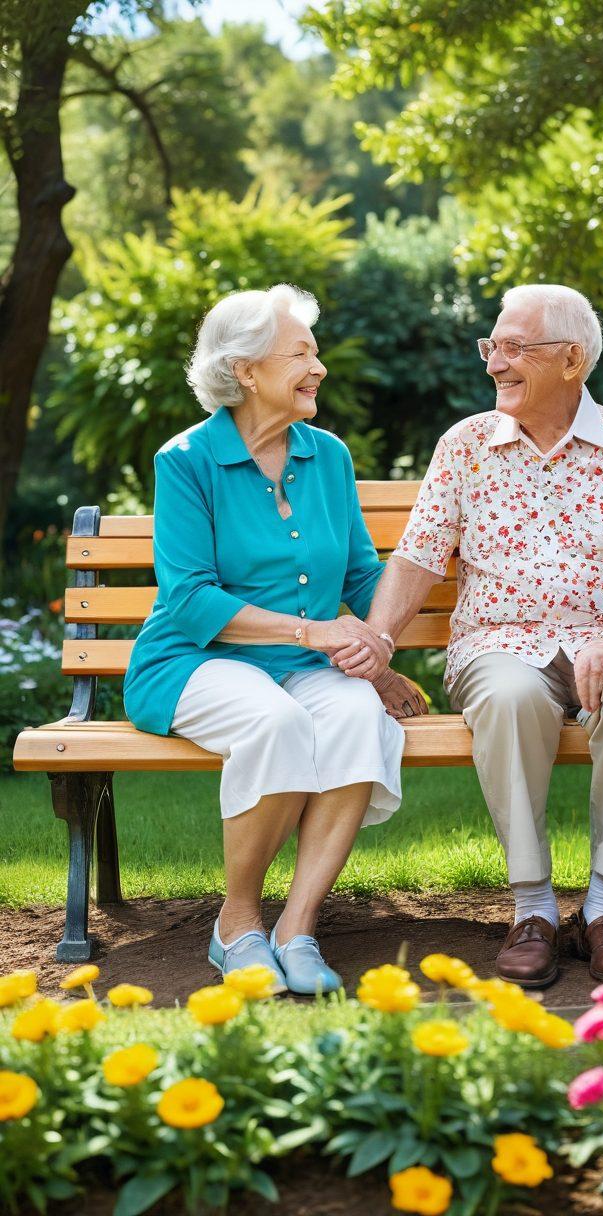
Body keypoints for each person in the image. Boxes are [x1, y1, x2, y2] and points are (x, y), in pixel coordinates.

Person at [333, 284, 603, 988]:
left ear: (572, 360)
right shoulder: (465, 445)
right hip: (499, 641)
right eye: (491, 346)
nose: (495, 362)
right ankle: (531, 909)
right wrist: (378, 643)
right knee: (507, 697)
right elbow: (418, 554)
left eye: (515, 347)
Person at [124, 283, 417, 995]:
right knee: (276, 721)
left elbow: (356, 574)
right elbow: (190, 598)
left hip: (298, 662)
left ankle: (298, 927)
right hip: (194, 661)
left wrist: (375, 653)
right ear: (246, 369)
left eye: (315, 353)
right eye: (301, 353)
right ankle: (238, 925)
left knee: (354, 715)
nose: (318, 368)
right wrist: (317, 634)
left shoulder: (328, 457)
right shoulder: (186, 460)